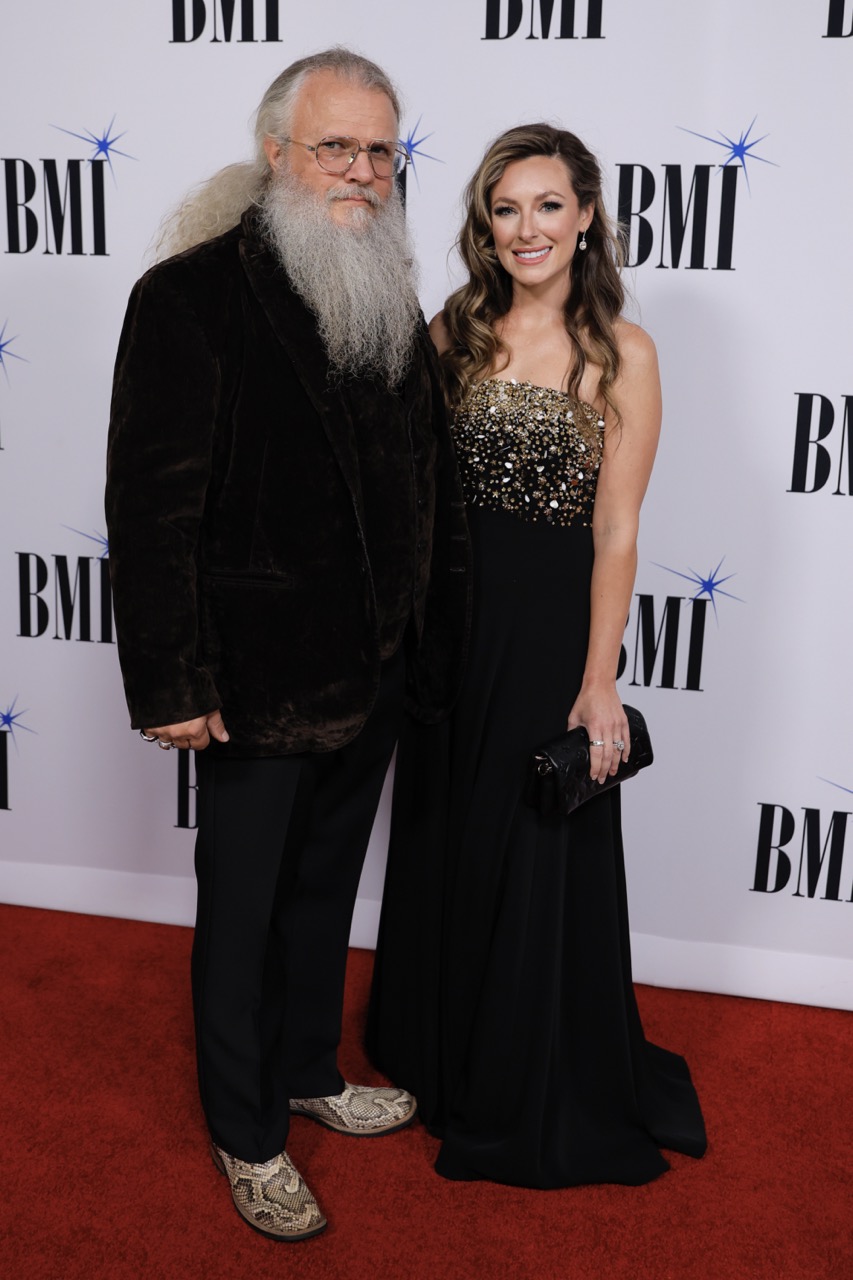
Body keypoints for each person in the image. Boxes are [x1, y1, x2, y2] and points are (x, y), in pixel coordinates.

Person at [105, 48, 470, 1241]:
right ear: (276, 155)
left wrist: (422, 641)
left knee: (322, 891)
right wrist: (172, 677)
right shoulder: (189, 296)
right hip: (252, 680)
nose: (361, 170)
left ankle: (309, 1065)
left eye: (380, 150)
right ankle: (248, 1129)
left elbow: (415, 480)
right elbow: (152, 508)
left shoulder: (385, 287)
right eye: (336, 146)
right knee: (243, 909)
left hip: (372, 669)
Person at [368, 123, 707, 1188]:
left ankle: (518, 1073)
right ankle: (436, 1052)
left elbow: (617, 530)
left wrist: (598, 679)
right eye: (506, 208)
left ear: (586, 216)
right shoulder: (451, 331)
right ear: (486, 223)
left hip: (550, 638)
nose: (527, 228)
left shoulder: (623, 352)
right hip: (448, 634)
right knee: (444, 835)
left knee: (527, 846)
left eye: (548, 205)